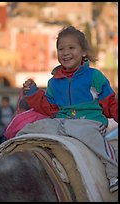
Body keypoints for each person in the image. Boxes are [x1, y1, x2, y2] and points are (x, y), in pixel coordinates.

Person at [22, 26, 118, 193]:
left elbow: (109, 103)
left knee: (94, 139)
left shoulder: (94, 76)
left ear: (83, 52)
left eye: (71, 48)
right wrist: (33, 94)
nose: (65, 53)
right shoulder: (54, 82)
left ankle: (114, 171)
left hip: (89, 121)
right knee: (32, 129)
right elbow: (49, 107)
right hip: (62, 121)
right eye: (61, 49)